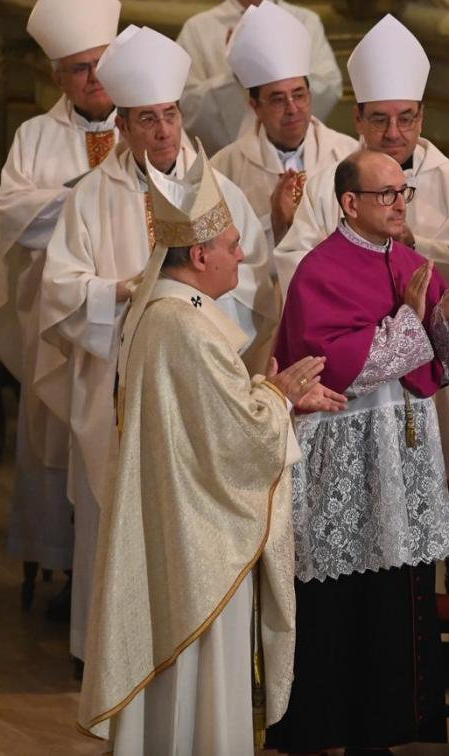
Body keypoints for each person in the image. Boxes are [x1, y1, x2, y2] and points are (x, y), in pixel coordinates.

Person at [77, 147, 346, 753]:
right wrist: (277, 399)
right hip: (202, 545)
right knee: (202, 689)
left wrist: (273, 395)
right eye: (230, 245)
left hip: (187, 526)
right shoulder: (186, 327)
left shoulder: (169, 313)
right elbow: (239, 438)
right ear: (199, 255)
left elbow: (213, 420)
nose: (241, 255)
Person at [35, 25, 275, 668]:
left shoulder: (218, 191)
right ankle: (109, 652)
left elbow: (252, 279)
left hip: (199, 381)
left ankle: (191, 645)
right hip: (120, 382)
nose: (164, 131)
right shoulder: (92, 196)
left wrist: (193, 312)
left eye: (170, 115)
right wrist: (115, 291)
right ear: (127, 126)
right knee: (116, 508)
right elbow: (59, 290)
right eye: (148, 120)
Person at [274, 13, 449, 636]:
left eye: (406, 118)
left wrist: (418, 267)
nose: (393, 131)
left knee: (412, 561)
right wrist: (370, 252)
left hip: (425, 405)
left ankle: (430, 654)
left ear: (423, 117)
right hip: (350, 414)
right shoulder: (339, 186)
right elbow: (299, 267)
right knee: (357, 569)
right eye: (378, 118)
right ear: (358, 120)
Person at [265, 149, 449, 752]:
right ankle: (319, 729)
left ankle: (383, 730)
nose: (398, 203)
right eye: (385, 194)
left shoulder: (414, 262)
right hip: (344, 456)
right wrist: (415, 319)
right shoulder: (318, 271)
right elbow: (343, 365)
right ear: (350, 202)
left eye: (403, 192)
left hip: (404, 456)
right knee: (338, 602)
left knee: (396, 600)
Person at [0, 0, 120, 612]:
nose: (92, 78)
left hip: (125, 320)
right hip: (59, 318)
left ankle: (117, 569)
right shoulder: (36, 137)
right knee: (57, 435)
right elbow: (12, 211)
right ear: (57, 77)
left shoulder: (151, 124)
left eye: (100, 63)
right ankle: (66, 566)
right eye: (77, 68)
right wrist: (80, 200)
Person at [177, 0, 342, 153]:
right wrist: (235, 75)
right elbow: (186, 106)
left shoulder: (304, 21)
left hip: (300, 155)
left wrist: (281, 72)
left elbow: (329, 87)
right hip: (227, 162)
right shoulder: (198, 29)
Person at [211, 0, 356, 250]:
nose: (292, 108)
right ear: (255, 107)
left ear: (310, 96)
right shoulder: (224, 169)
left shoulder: (349, 155)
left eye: (299, 95)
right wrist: (274, 222)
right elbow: (220, 257)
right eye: (278, 99)